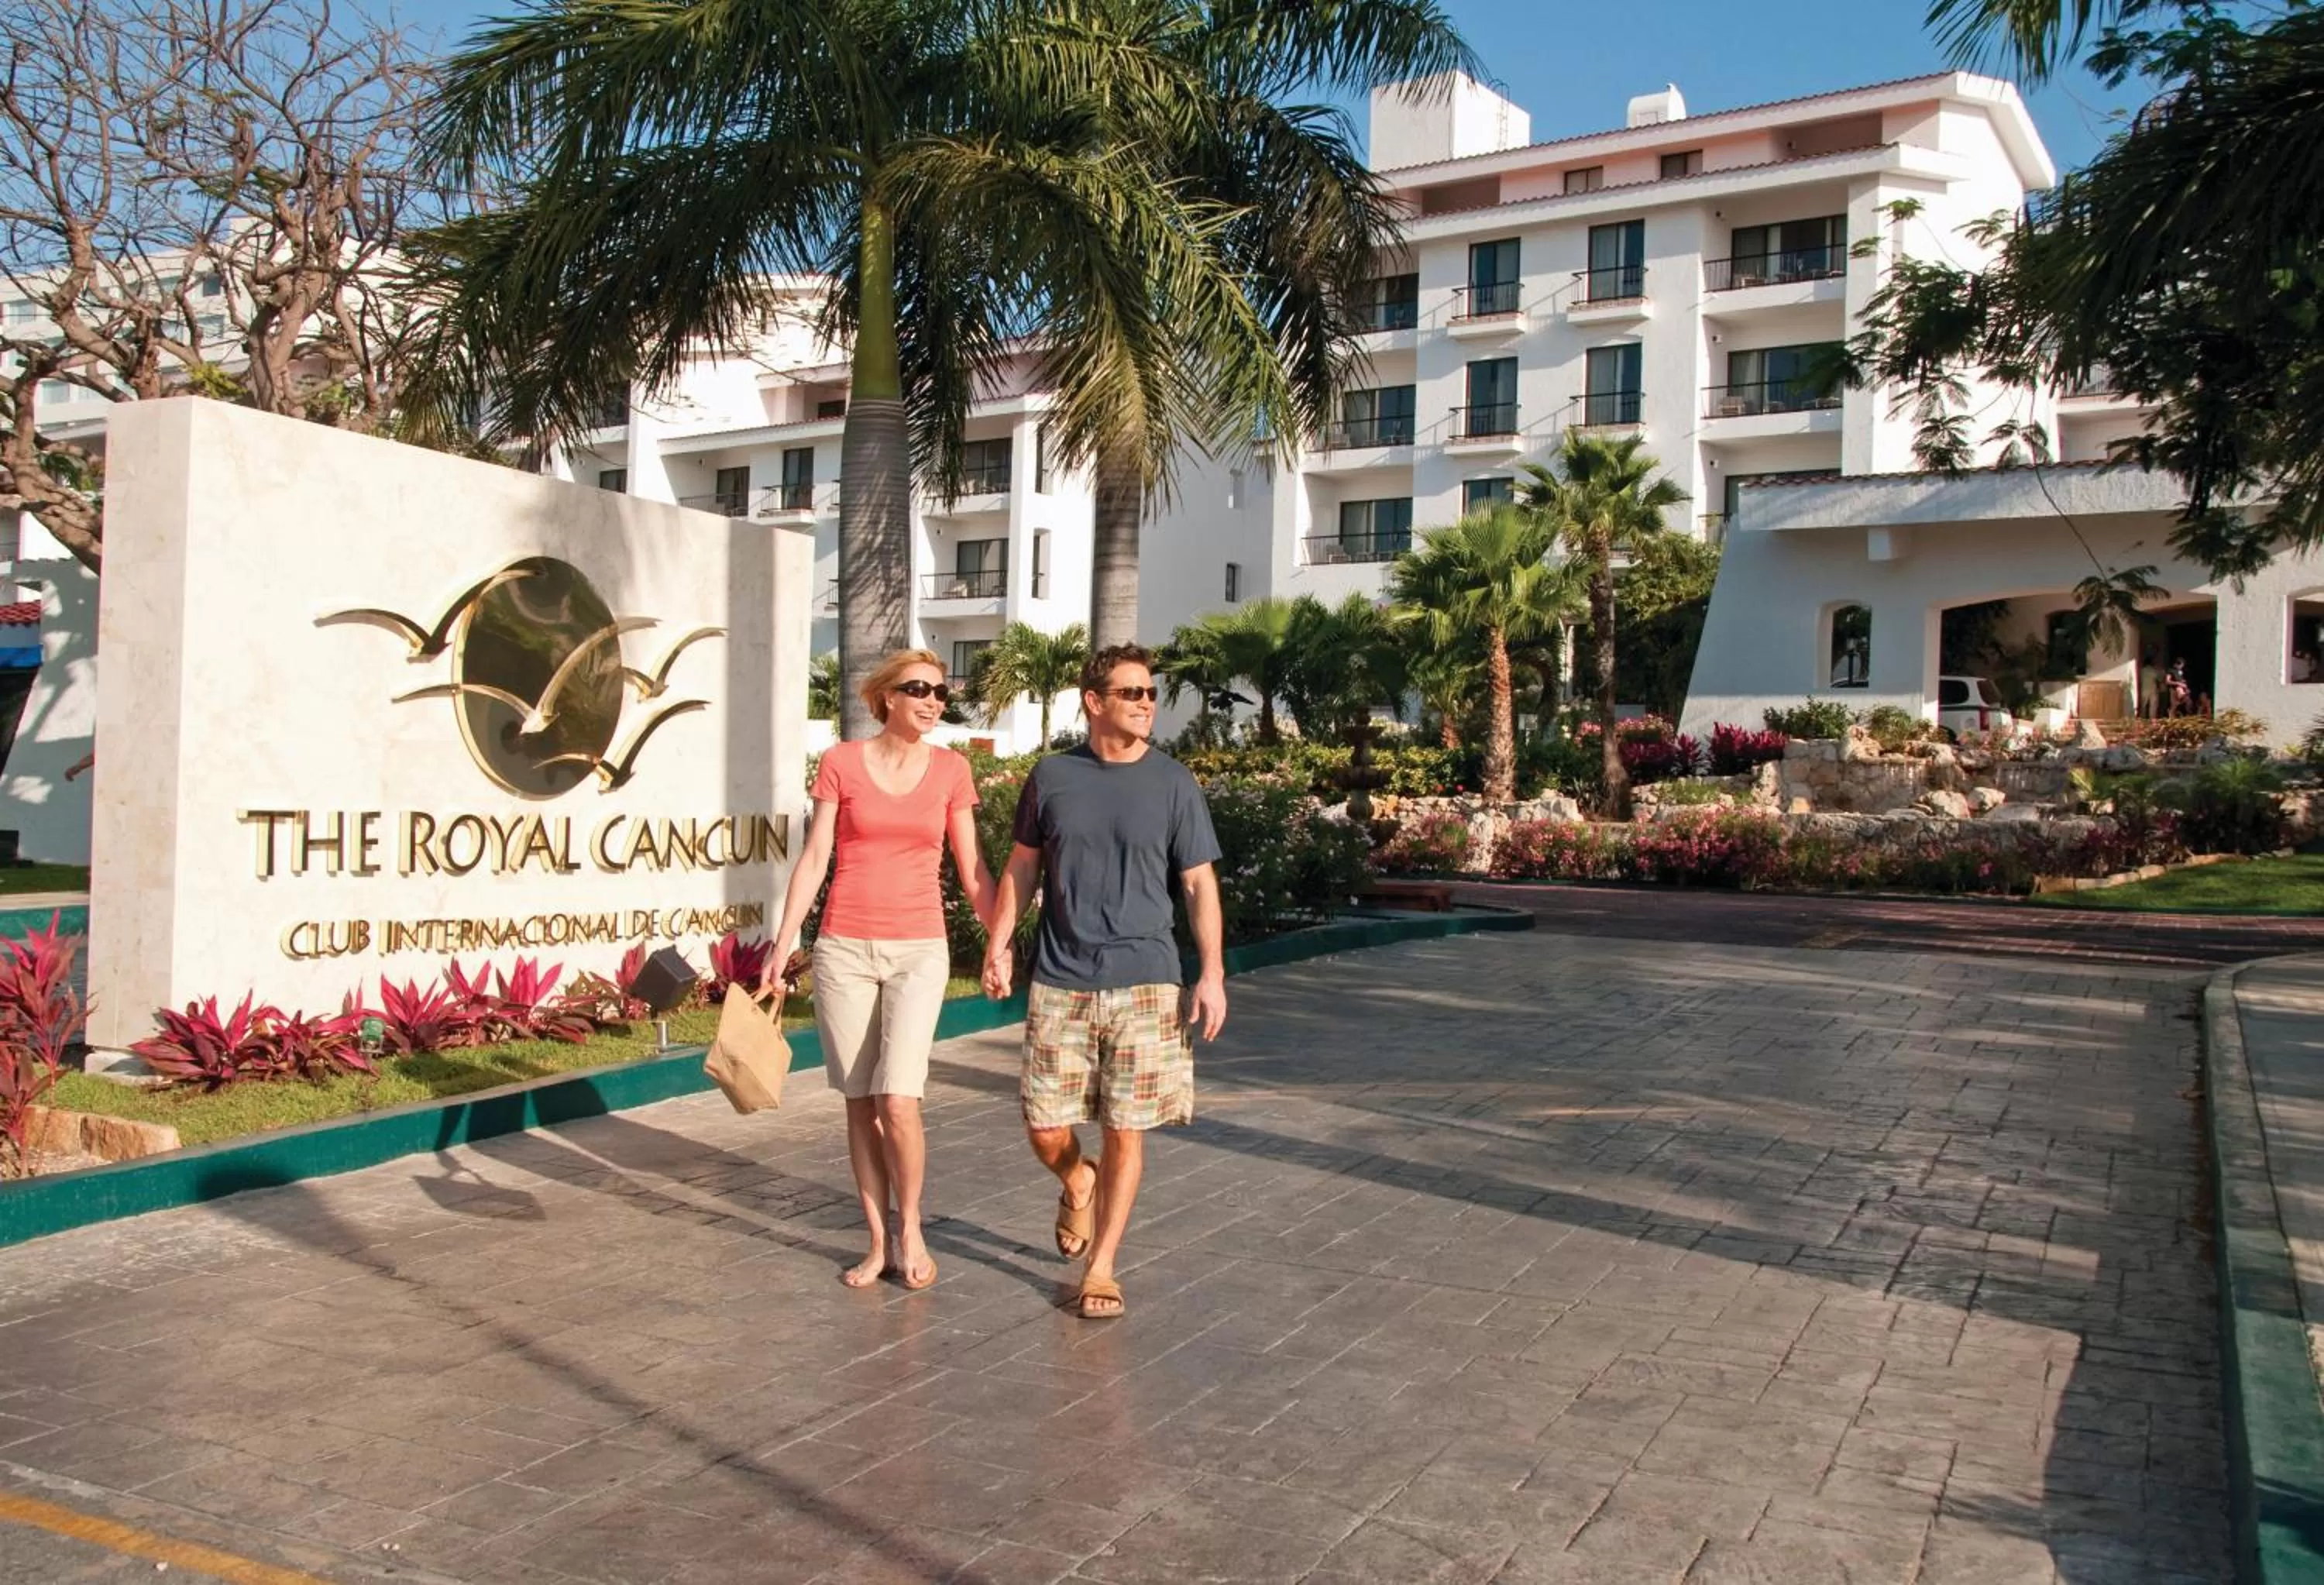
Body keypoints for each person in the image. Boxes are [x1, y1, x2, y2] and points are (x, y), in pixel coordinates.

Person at [982, 644, 1227, 1319]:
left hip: (1148, 979)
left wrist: (1211, 973)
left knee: (1127, 1126)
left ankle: (1104, 1266)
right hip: (1062, 977)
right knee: (1042, 1122)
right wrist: (999, 945)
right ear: (1095, 702)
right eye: (1132, 693)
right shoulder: (1052, 776)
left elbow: (1199, 883)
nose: (1148, 704)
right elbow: (1023, 867)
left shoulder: (1175, 783)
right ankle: (1075, 1176)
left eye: (1151, 693)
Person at [763, 649, 993, 1292]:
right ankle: (876, 1240)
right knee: (860, 1101)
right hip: (844, 949)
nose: (933, 701)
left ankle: (912, 1226)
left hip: (920, 948)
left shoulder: (951, 770)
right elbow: (814, 859)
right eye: (919, 689)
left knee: (899, 1097)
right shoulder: (841, 763)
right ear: (886, 697)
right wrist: (783, 947)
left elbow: (972, 869)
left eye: (941, 693)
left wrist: (1000, 939)